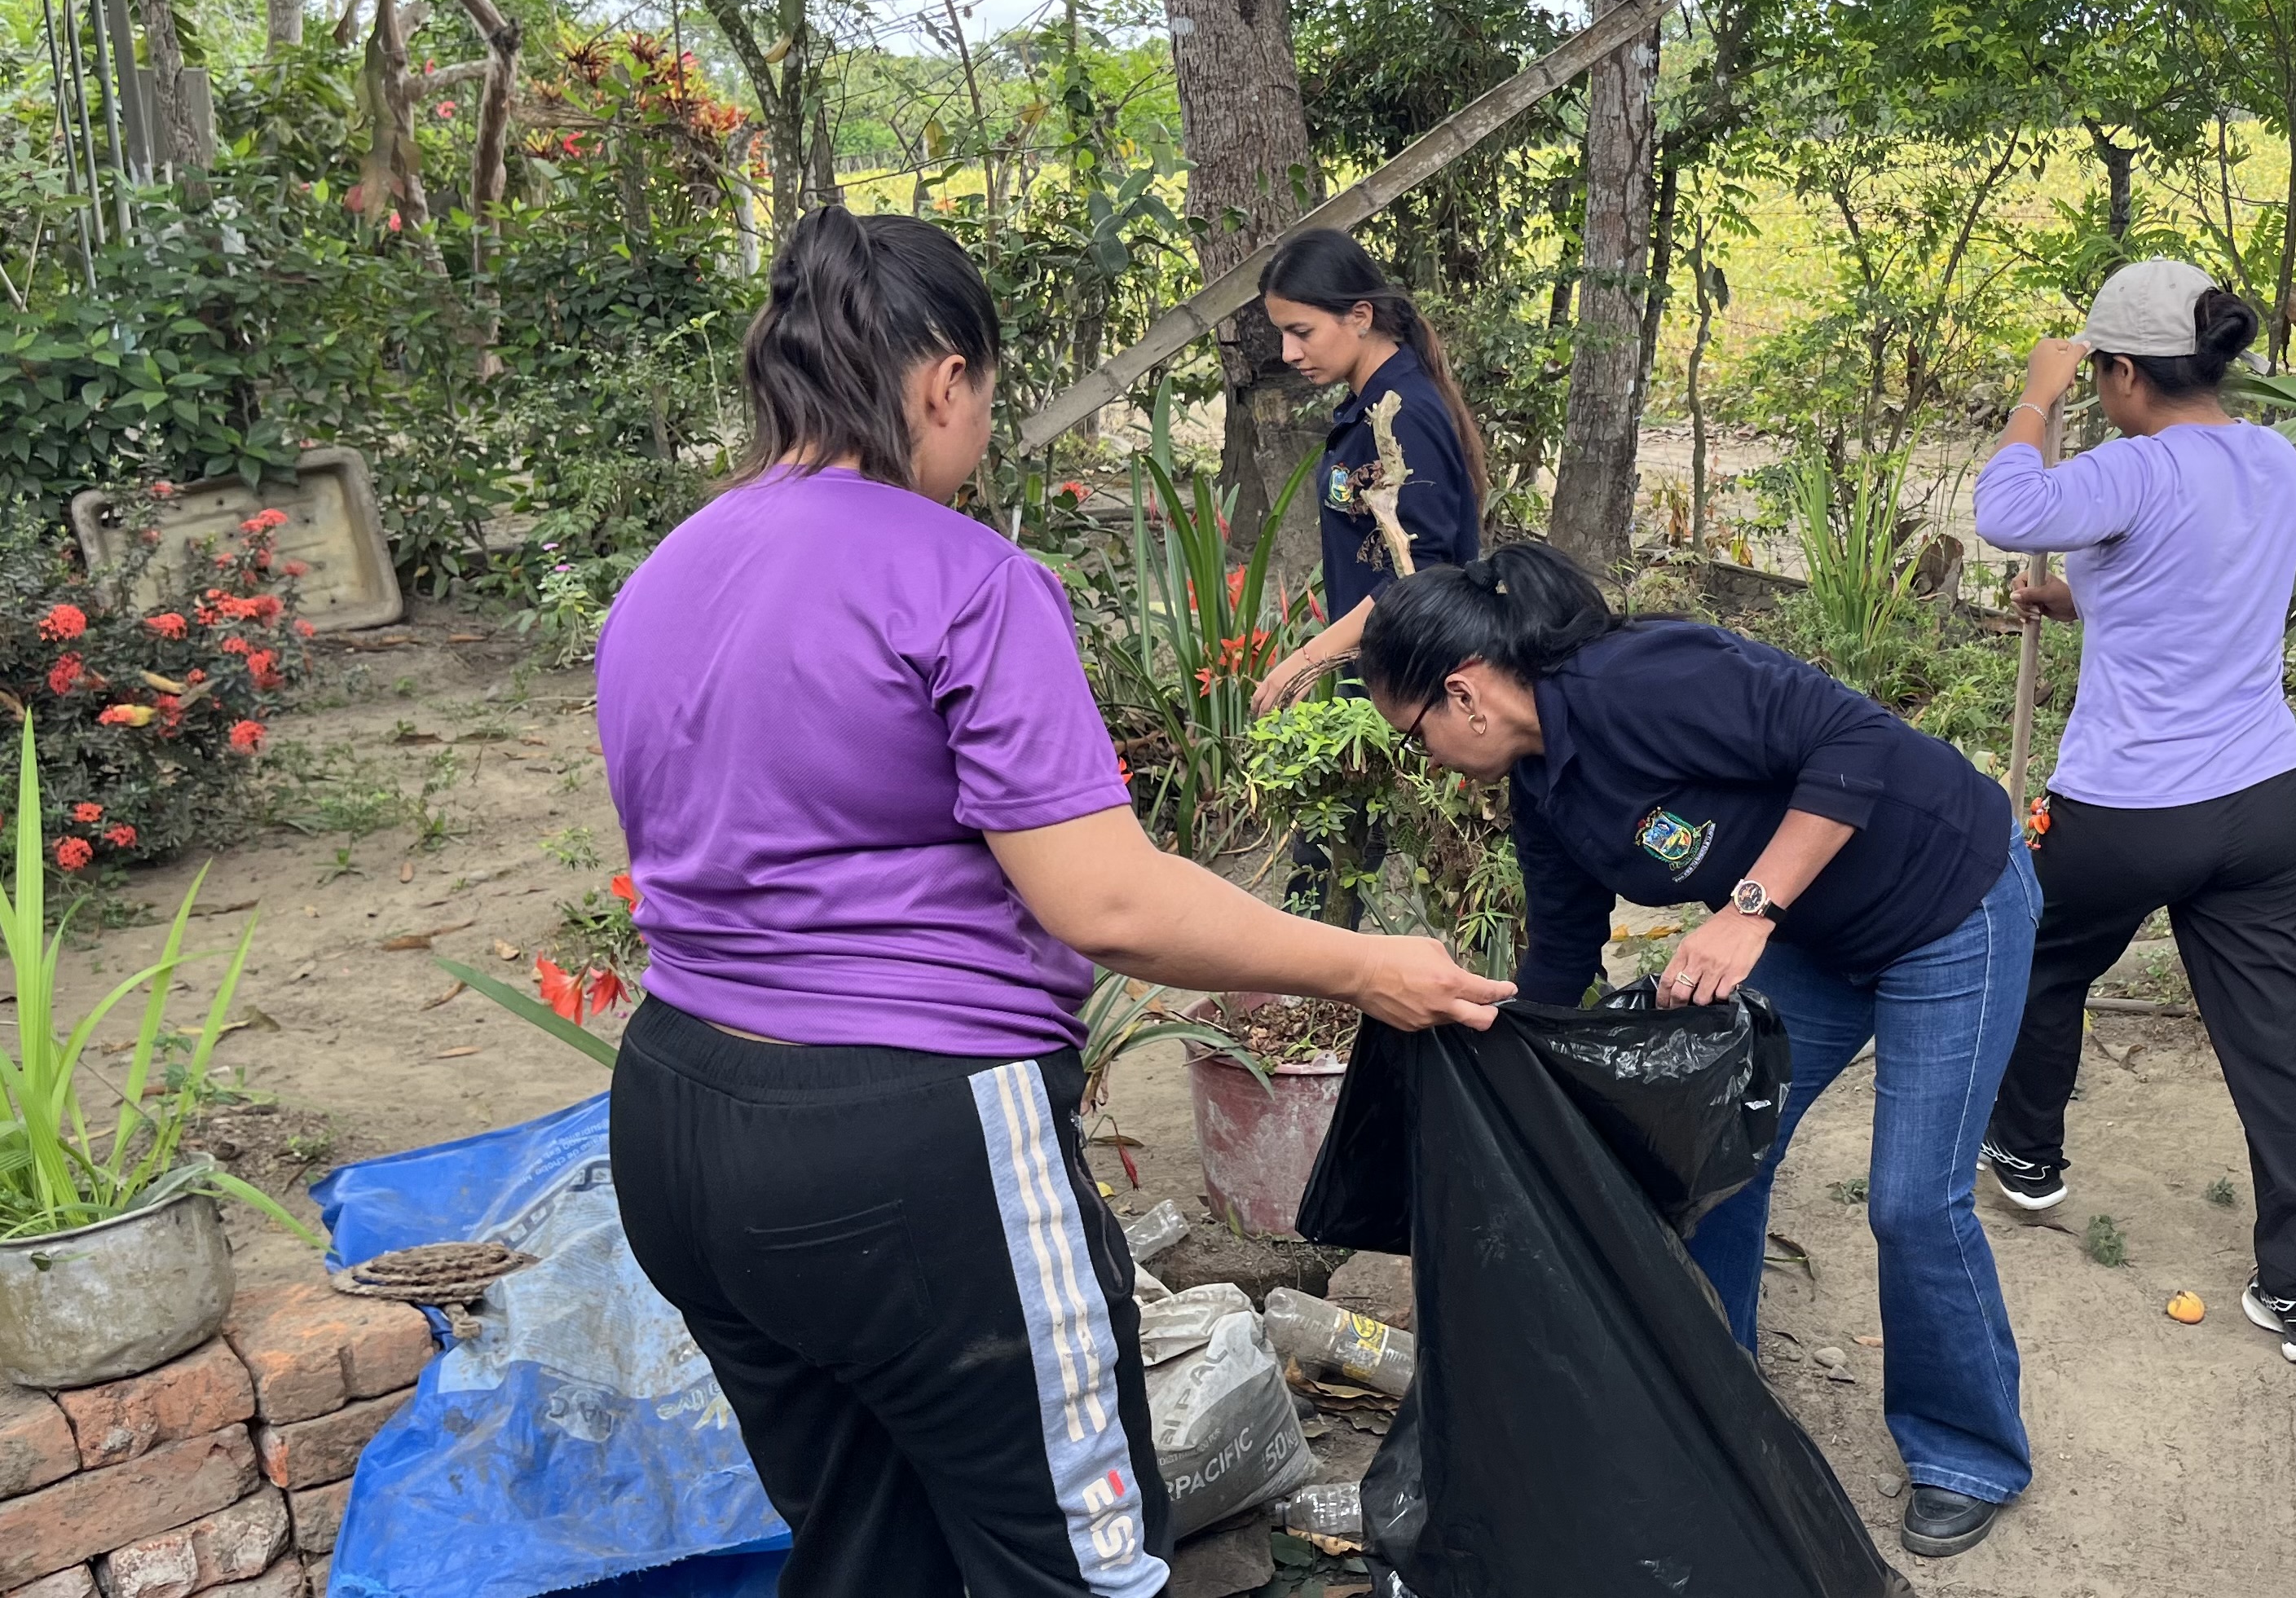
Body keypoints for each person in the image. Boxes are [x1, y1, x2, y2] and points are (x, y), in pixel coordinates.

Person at [596, 208, 1512, 1598]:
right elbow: (1109, 901)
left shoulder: (669, 570)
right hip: (902, 1147)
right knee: (1077, 1568)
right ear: (944, 380)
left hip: (676, 1120)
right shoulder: (961, 576)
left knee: (864, 1548)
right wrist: (1364, 963)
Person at [1355, 542, 2043, 1560]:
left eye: (1415, 736)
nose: (1427, 760)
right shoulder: (1543, 788)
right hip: (1818, 938)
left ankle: (1968, 1453)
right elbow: (1561, 949)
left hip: (1947, 900)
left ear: (1463, 695)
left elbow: (1857, 739)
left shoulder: (1641, 679)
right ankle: (1718, 1390)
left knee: (1911, 1199)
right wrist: (1494, 1041)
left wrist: (1750, 910)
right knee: (1713, 1152)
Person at [1970, 258, 2296, 1365]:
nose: (2095, 394)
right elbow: (2202, 579)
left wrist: (2034, 396)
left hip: (2132, 808)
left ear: (2127, 374)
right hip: (2265, 805)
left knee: (2039, 957)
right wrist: (2077, 596)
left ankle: (2028, 1156)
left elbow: (2006, 510)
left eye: (2098, 376)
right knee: (2273, 1036)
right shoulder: (2273, 459)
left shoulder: (2134, 467)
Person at [1249, 229, 1487, 716]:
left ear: (1360, 316)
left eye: (1302, 332)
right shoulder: (1370, 406)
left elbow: (1422, 570)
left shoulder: (1403, 414)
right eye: (1283, 334)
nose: (1289, 352)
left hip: (1422, 692)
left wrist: (1307, 660)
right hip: (1383, 681)